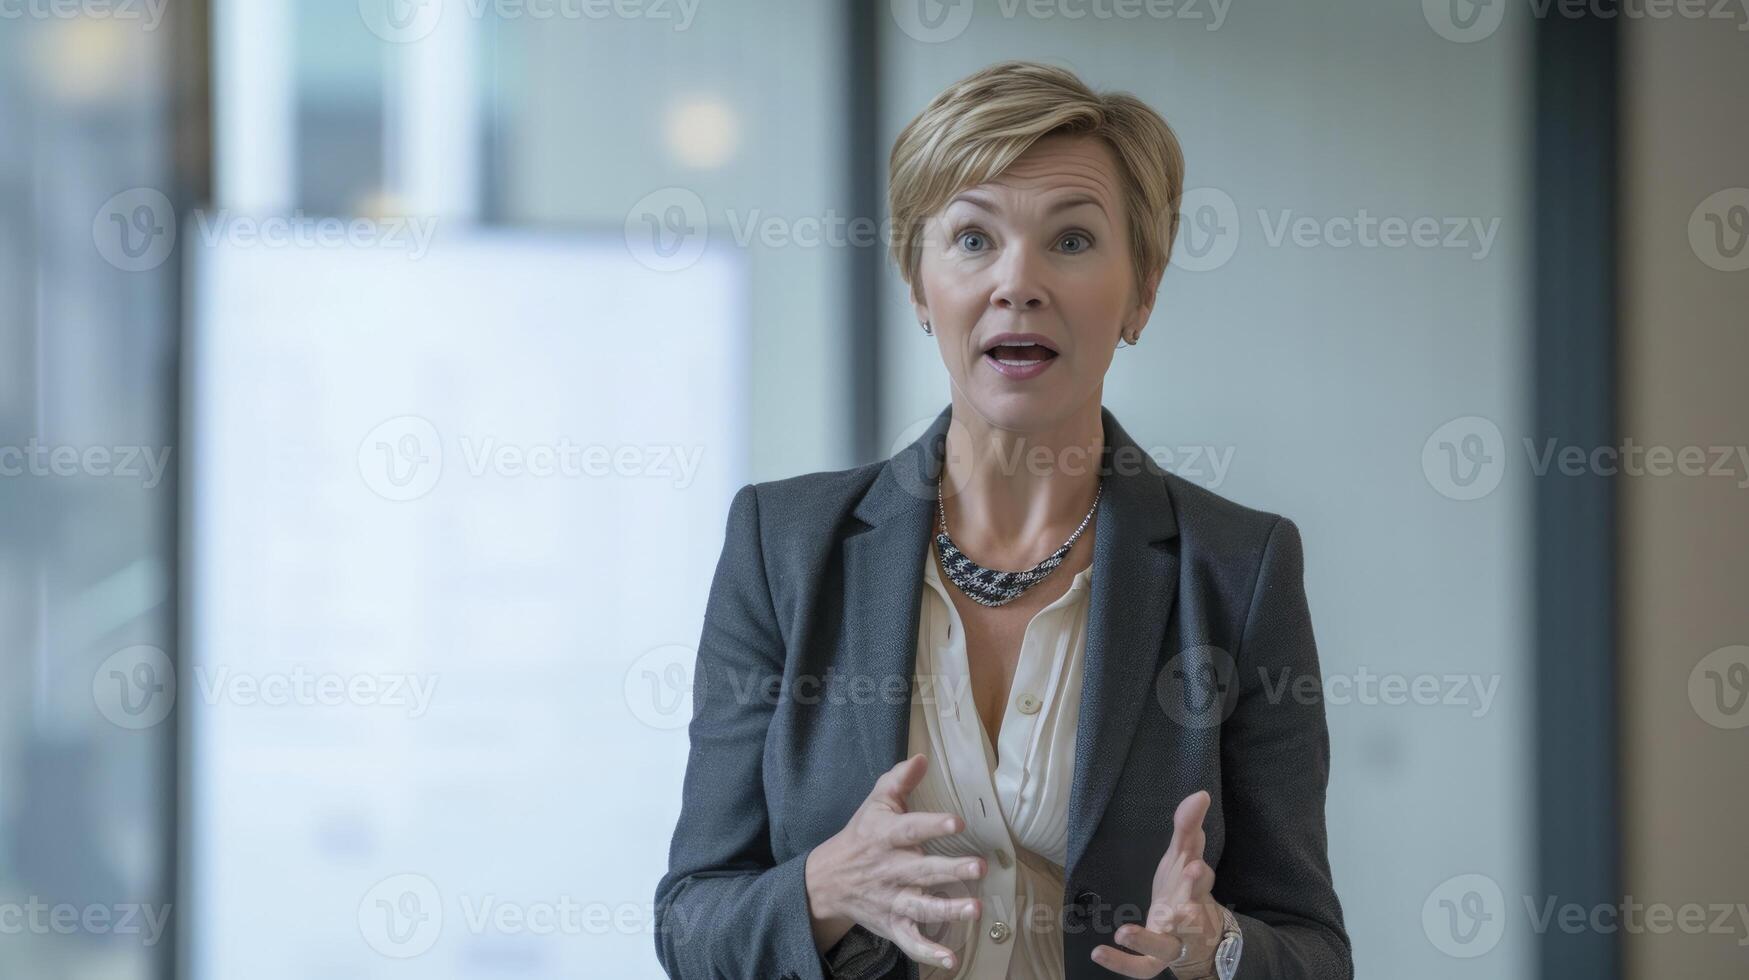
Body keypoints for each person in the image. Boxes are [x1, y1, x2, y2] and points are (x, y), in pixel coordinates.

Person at [654, 60, 1351, 980]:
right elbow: (690, 919)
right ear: (918, 287)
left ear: (1140, 292)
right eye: (973, 239)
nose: (1017, 282)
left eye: (1070, 241)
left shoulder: (1238, 568)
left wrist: (1214, 946)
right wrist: (824, 888)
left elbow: (1310, 951)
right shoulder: (780, 548)